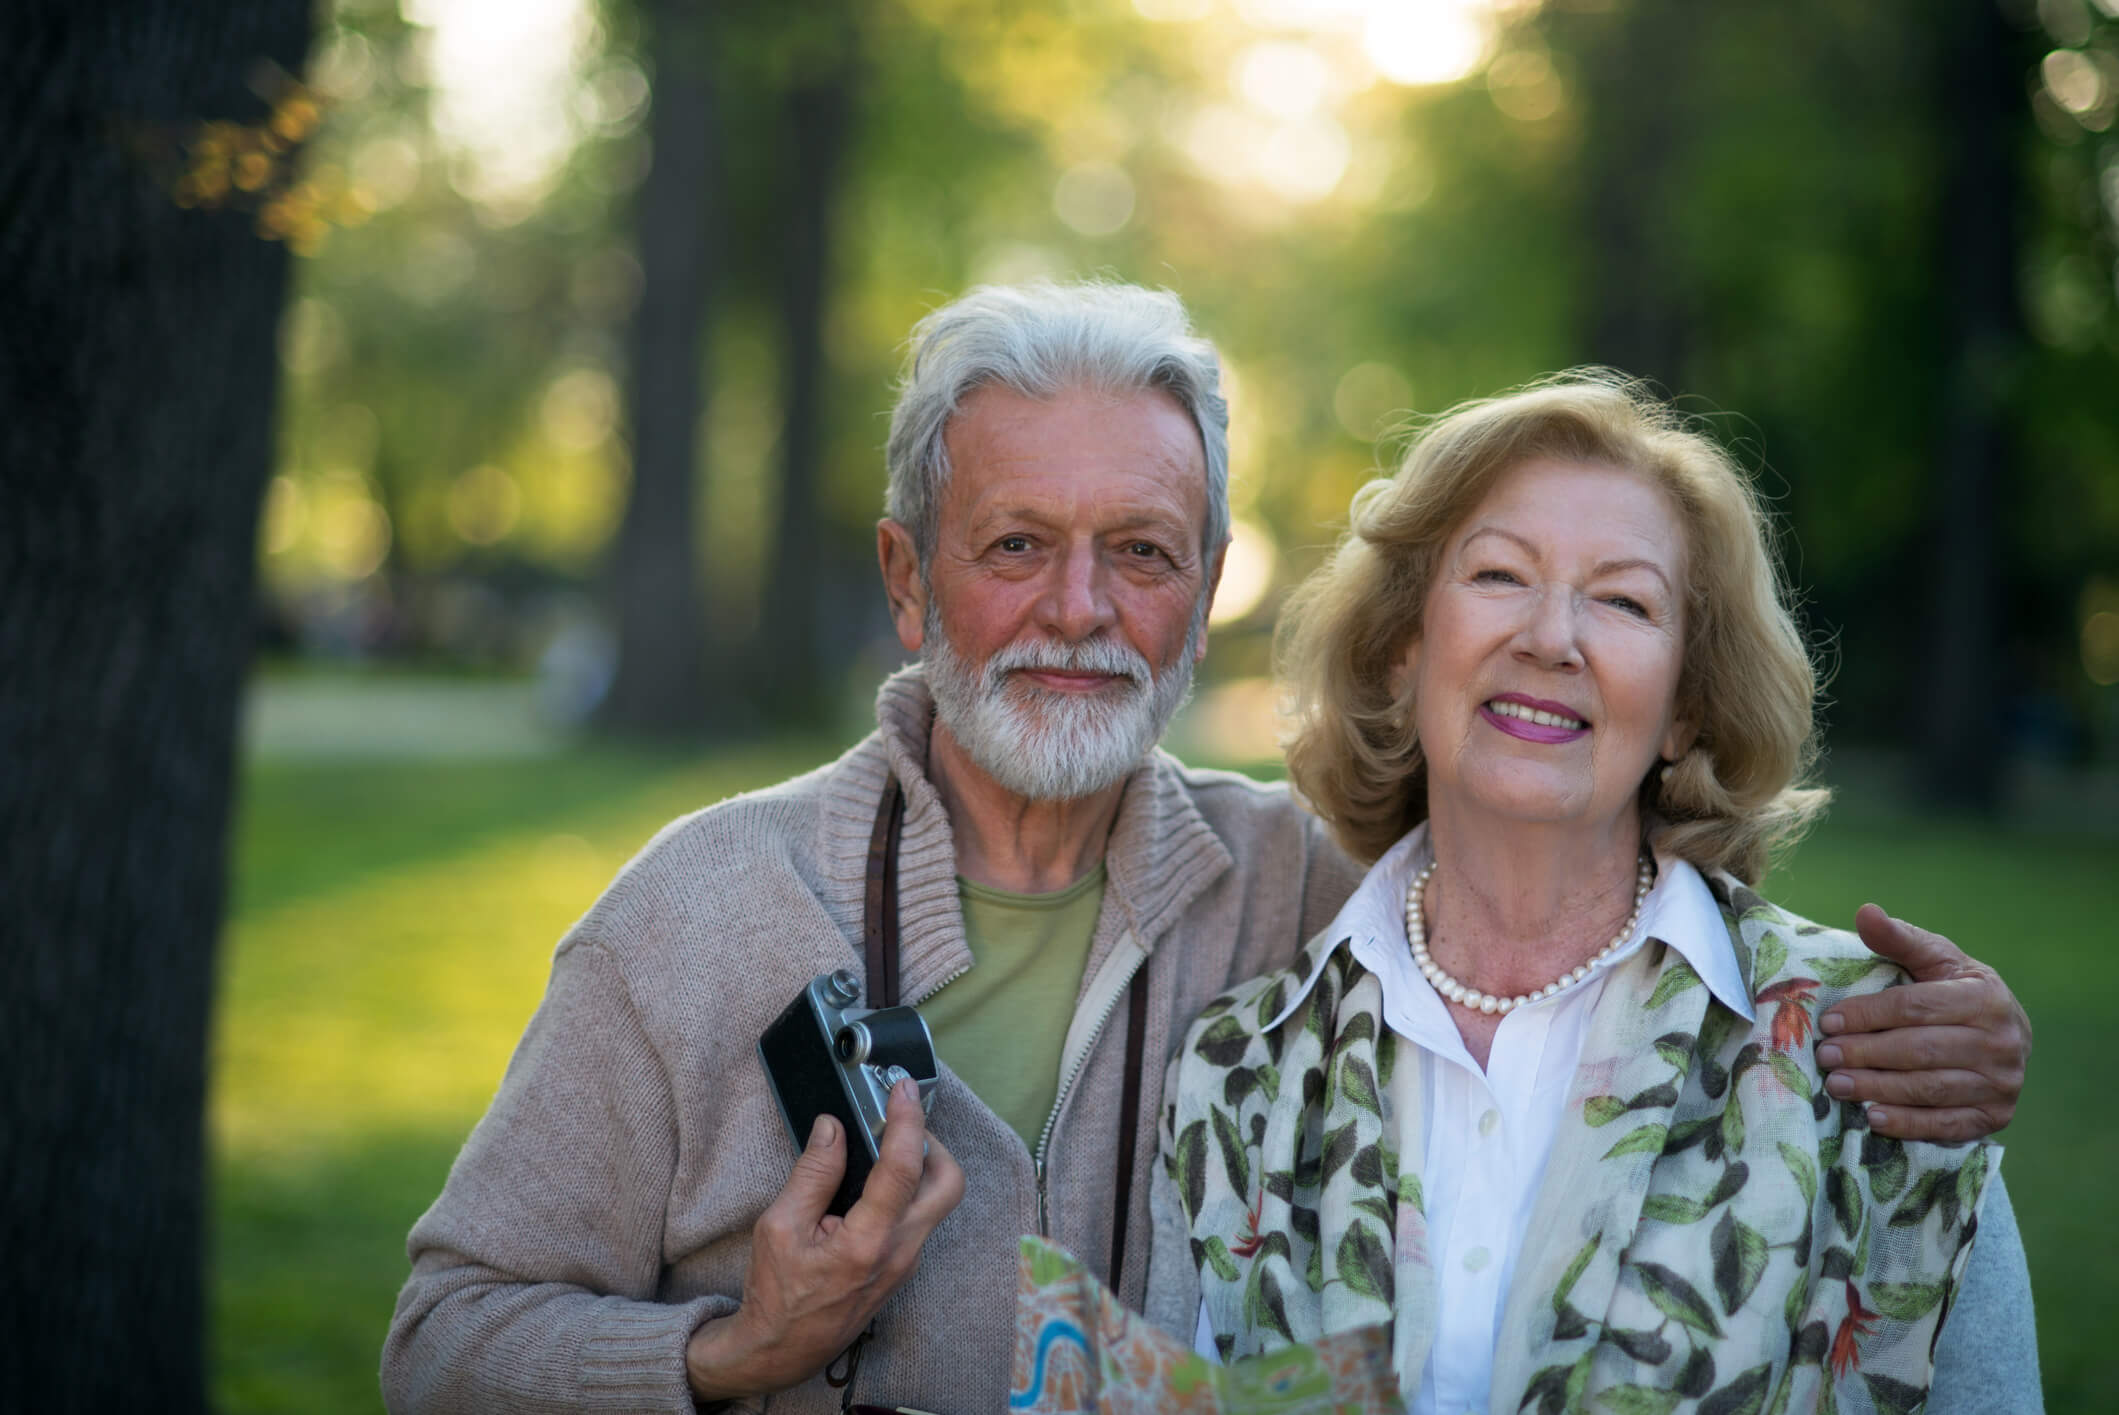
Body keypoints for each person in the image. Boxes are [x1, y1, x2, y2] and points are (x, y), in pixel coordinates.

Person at [382, 286, 2030, 1415]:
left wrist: (1922, 1045)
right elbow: (441, 1339)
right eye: (1014, 546)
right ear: (905, 578)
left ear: (1212, 578)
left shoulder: (1301, 894)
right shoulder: (703, 909)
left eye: (1142, 552)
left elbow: (1569, 864)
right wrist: (736, 1352)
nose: (1081, 611)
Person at [1149, 374, 2038, 1414]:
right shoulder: (1234, 1073)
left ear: (1682, 709)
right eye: (1498, 574)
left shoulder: (1877, 1046)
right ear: (1404, 653)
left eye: (1621, 599)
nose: (1550, 636)